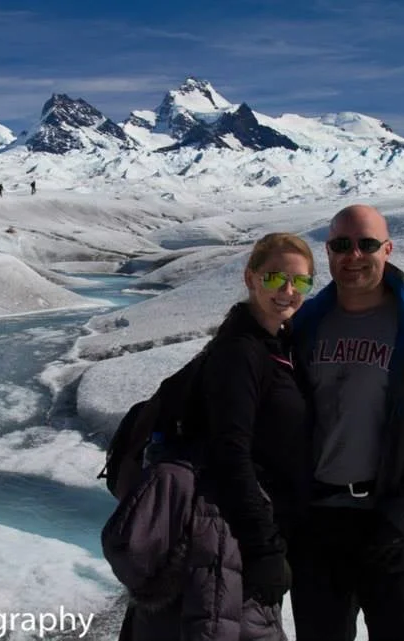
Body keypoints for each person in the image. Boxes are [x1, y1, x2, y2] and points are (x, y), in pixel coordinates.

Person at [289, 204, 404, 641]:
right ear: (328, 252)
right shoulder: (303, 326)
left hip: (390, 521)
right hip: (317, 524)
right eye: (341, 244)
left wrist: (403, 520)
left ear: (387, 250)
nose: (353, 255)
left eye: (366, 244)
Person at [117, 232, 315, 641]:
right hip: (225, 539)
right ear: (250, 278)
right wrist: (263, 547)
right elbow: (231, 453)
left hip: (240, 532)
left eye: (300, 281)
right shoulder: (241, 353)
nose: (288, 290)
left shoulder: (274, 344)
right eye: (275, 278)